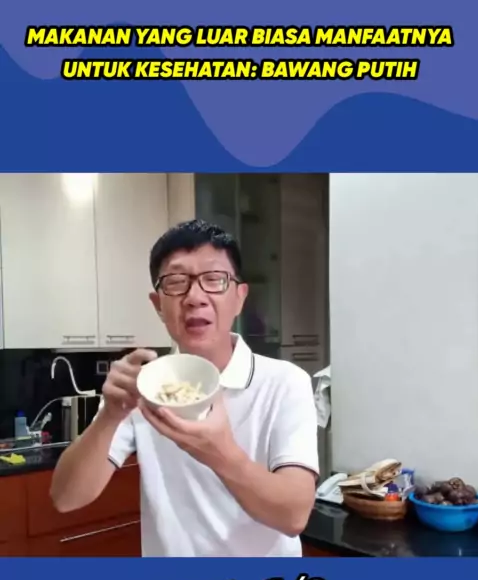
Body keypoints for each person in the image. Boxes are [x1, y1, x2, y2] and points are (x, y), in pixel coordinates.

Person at [51, 220, 320, 557]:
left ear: (239, 297)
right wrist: (109, 417)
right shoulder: (146, 385)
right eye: (176, 282)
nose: (195, 297)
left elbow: (294, 515)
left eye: (214, 280)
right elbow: (66, 498)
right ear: (157, 304)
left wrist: (220, 452)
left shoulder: (285, 382)